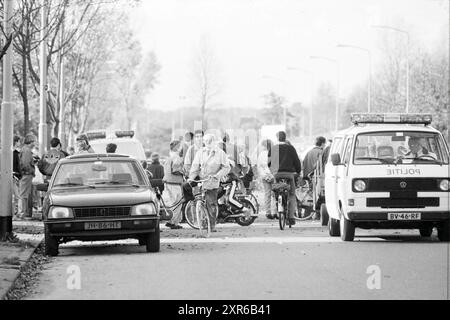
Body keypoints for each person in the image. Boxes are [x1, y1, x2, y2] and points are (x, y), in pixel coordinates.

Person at [189, 134, 231, 232]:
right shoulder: (200, 152)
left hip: (213, 181)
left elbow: (226, 167)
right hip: (201, 180)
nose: (208, 142)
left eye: (210, 140)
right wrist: (191, 178)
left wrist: (218, 175)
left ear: (214, 141)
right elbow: (195, 166)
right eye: (206, 140)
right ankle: (200, 220)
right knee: (198, 201)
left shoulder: (220, 153)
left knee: (211, 203)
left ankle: (211, 225)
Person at [269, 131, 302, 225]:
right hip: (289, 174)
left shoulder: (273, 148)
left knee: (275, 189)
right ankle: (291, 218)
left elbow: (269, 163)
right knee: (291, 194)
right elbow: (297, 162)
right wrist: (298, 171)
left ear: (277, 138)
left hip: (276, 174)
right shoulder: (291, 148)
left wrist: (273, 171)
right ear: (285, 138)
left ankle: (277, 201)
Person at [163, 140, 185, 229]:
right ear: (176, 147)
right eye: (180, 146)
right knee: (177, 203)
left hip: (169, 182)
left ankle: (172, 221)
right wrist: (184, 172)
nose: (181, 148)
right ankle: (172, 222)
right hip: (174, 183)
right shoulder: (176, 157)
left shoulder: (170, 157)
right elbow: (176, 170)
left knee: (173, 203)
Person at [18, 134, 38, 220]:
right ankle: (22, 213)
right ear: (31, 142)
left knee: (24, 194)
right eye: (34, 141)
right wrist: (30, 171)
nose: (35, 143)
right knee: (24, 194)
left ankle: (24, 213)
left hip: (26, 174)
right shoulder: (27, 150)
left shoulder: (25, 150)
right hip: (26, 174)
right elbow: (25, 163)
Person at [257, 139, 276, 219]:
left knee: (267, 194)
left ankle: (268, 212)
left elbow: (259, 167)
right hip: (273, 176)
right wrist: (272, 175)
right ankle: (276, 212)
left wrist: (264, 175)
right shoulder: (275, 153)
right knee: (275, 194)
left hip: (265, 177)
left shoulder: (261, 154)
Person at [12, 136, 22, 218]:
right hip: (15, 177)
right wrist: (20, 175)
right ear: (16, 142)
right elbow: (18, 166)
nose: (20, 143)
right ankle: (15, 213)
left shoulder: (5, 152)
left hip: (10, 176)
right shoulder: (15, 153)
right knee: (17, 196)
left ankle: (15, 212)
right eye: (19, 141)